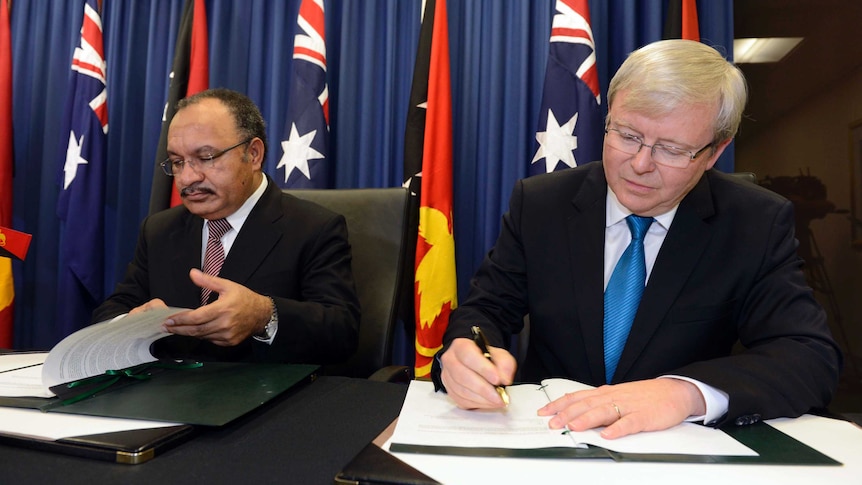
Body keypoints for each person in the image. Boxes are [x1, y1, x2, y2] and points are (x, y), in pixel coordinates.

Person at [432, 39, 842, 439]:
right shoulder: (541, 204)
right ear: (608, 117)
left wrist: (684, 393)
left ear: (715, 152)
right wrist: (466, 353)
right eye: (627, 136)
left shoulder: (754, 223)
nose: (641, 164)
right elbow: (485, 311)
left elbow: (809, 358)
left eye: (671, 149)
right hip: (552, 439)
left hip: (679, 454)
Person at [92, 88, 360, 364]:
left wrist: (264, 316)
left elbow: (342, 332)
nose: (187, 177)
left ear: (253, 154)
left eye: (206, 158)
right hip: (169, 395)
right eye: (177, 162)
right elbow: (113, 309)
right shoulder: (159, 230)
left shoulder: (313, 227)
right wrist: (131, 323)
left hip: (268, 397)